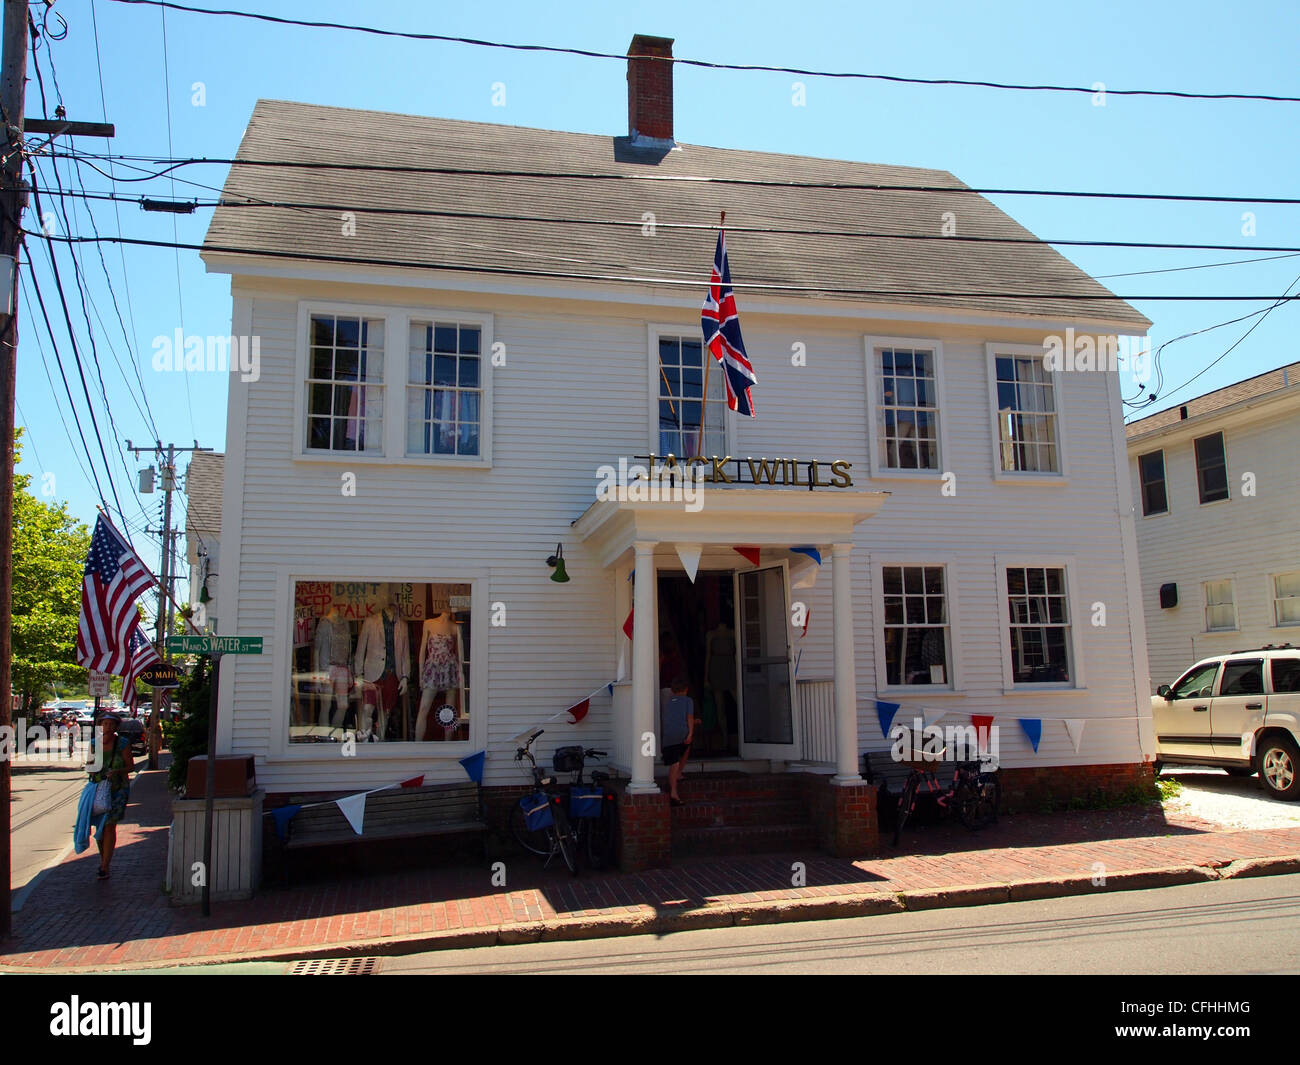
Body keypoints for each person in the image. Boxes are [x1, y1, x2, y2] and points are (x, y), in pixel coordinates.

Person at [88, 715, 133, 880]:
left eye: (110, 724)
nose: (107, 727)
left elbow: (130, 766)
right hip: (98, 789)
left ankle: (105, 866)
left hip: (117, 790)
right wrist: (92, 769)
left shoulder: (122, 743)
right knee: (100, 827)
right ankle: (103, 859)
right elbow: (89, 764)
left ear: (115, 726)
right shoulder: (94, 743)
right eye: (104, 724)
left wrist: (117, 771)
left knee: (109, 825)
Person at [661, 676, 694, 806]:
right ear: (686, 689)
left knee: (673, 763)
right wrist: (690, 733)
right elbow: (689, 717)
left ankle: (674, 790)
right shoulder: (688, 701)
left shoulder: (668, 702)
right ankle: (674, 790)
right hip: (682, 734)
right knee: (687, 746)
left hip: (668, 736)